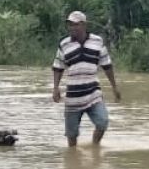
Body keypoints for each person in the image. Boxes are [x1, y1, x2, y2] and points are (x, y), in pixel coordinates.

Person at [52, 11, 122, 147]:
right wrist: (55, 88)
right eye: (70, 25)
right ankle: (73, 159)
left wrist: (114, 87)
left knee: (102, 122)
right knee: (71, 136)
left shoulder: (97, 41)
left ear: (84, 25)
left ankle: (94, 147)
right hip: (73, 96)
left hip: (93, 93)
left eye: (76, 24)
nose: (72, 28)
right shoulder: (64, 44)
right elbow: (58, 67)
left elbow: (107, 65)